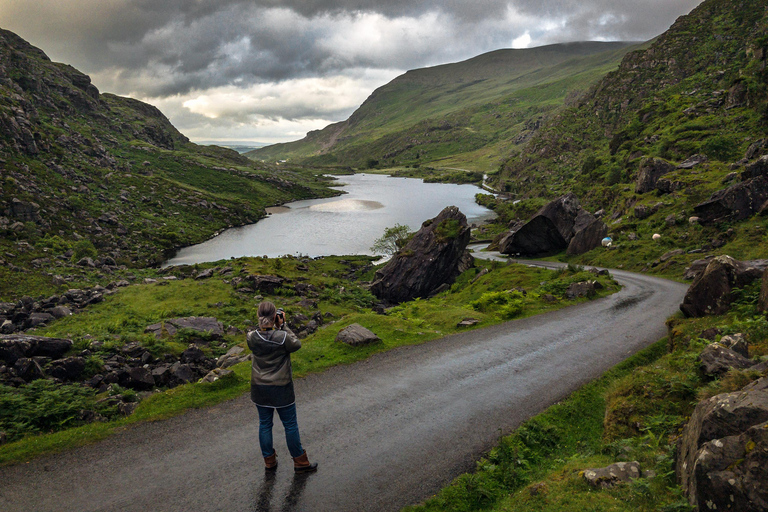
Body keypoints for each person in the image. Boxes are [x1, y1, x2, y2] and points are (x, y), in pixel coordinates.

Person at [246, 301, 318, 473]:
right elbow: (296, 344)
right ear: (274, 317)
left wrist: (271, 326)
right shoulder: (283, 337)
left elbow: (261, 335)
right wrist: (283, 325)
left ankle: (269, 461)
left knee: (265, 424)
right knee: (290, 425)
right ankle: (300, 462)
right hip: (281, 387)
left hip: (259, 387)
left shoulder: (251, 337)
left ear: (258, 316)